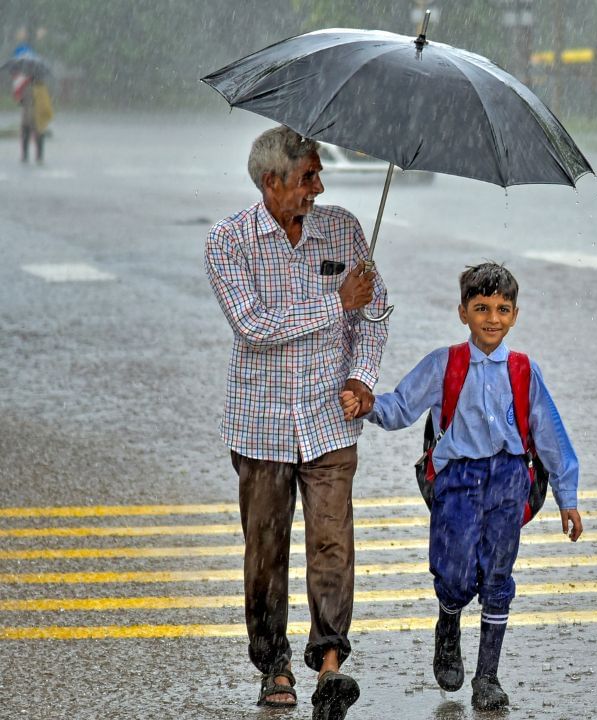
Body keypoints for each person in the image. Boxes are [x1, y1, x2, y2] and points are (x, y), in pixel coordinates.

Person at [204, 124, 388, 720]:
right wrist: (336, 302)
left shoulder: (343, 228)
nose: (319, 185)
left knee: (333, 542)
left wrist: (361, 378)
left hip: (331, 422)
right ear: (271, 182)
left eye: (318, 173)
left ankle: (330, 662)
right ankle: (274, 664)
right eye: (308, 175)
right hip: (260, 427)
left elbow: (375, 316)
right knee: (265, 549)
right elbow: (253, 325)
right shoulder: (228, 242)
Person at [341, 262, 583, 711]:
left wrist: (567, 498)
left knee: (498, 575)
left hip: (509, 480)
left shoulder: (524, 371)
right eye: (481, 308)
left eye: (502, 309)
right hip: (457, 481)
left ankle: (487, 677)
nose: (492, 318)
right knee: (452, 573)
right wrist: (369, 404)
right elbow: (401, 406)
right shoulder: (444, 364)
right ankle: (448, 620)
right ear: (463, 312)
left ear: (515, 315)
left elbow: (550, 436)